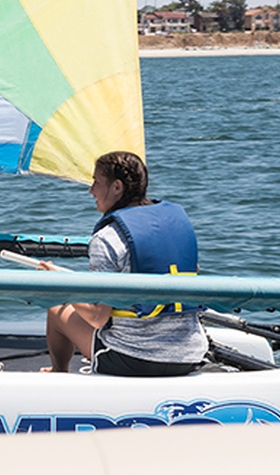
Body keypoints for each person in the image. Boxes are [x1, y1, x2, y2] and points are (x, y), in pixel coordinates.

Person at [40, 151, 208, 376]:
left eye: (96, 182)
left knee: (56, 309)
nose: (91, 190)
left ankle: (58, 372)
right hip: (190, 355)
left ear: (117, 187)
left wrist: (61, 284)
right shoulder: (178, 224)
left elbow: (98, 318)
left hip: (132, 359)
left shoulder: (107, 238)